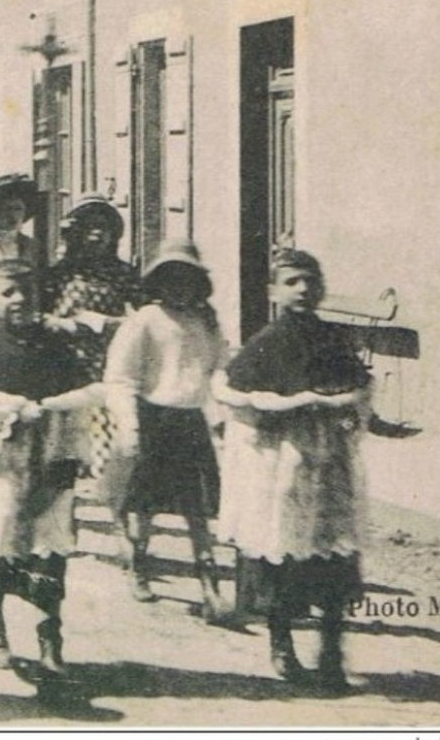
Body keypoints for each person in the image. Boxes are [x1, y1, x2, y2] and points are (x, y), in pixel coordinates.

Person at [214, 249, 373, 693]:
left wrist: (345, 415)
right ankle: (282, 644)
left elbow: (357, 391)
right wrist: (282, 412)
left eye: (310, 281)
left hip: (329, 464)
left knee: (335, 556)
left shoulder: (334, 339)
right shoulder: (267, 341)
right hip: (286, 464)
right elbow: (242, 398)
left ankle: (331, 652)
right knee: (285, 553)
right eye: (292, 281)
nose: (303, 289)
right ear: (273, 291)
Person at [0, 261, 103, 678]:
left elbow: (76, 406)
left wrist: (68, 455)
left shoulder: (56, 350)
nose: (19, 301)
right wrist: (6, 421)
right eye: (9, 292)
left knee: (50, 554)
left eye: (27, 294)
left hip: (49, 456)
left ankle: (51, 636)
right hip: (0, 466)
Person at [102, 239, 227, 619]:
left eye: (187, 279)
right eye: (170, 279)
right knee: (144, 504)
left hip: (190, 421)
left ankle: (209, 581)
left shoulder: (206, 322)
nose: (179, 287)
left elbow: (218, 366)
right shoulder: (144, 321)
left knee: (198, 507)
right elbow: (120, 378)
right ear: (157, 283)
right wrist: (129, 424)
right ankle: (139, 564)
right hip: (152, 419)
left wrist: (220, 414)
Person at [40, 195, 146, 500]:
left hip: (108, 360)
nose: (97, 235)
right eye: (90, 228)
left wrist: (109, 324)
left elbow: (142, 319)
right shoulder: (60, 274)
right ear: (76, 234)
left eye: (104, 228)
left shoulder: (124, 275)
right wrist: (61, 324)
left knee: (106, 427)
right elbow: (42, 314)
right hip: (66, 361)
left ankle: (108, 490)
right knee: (68, 431)